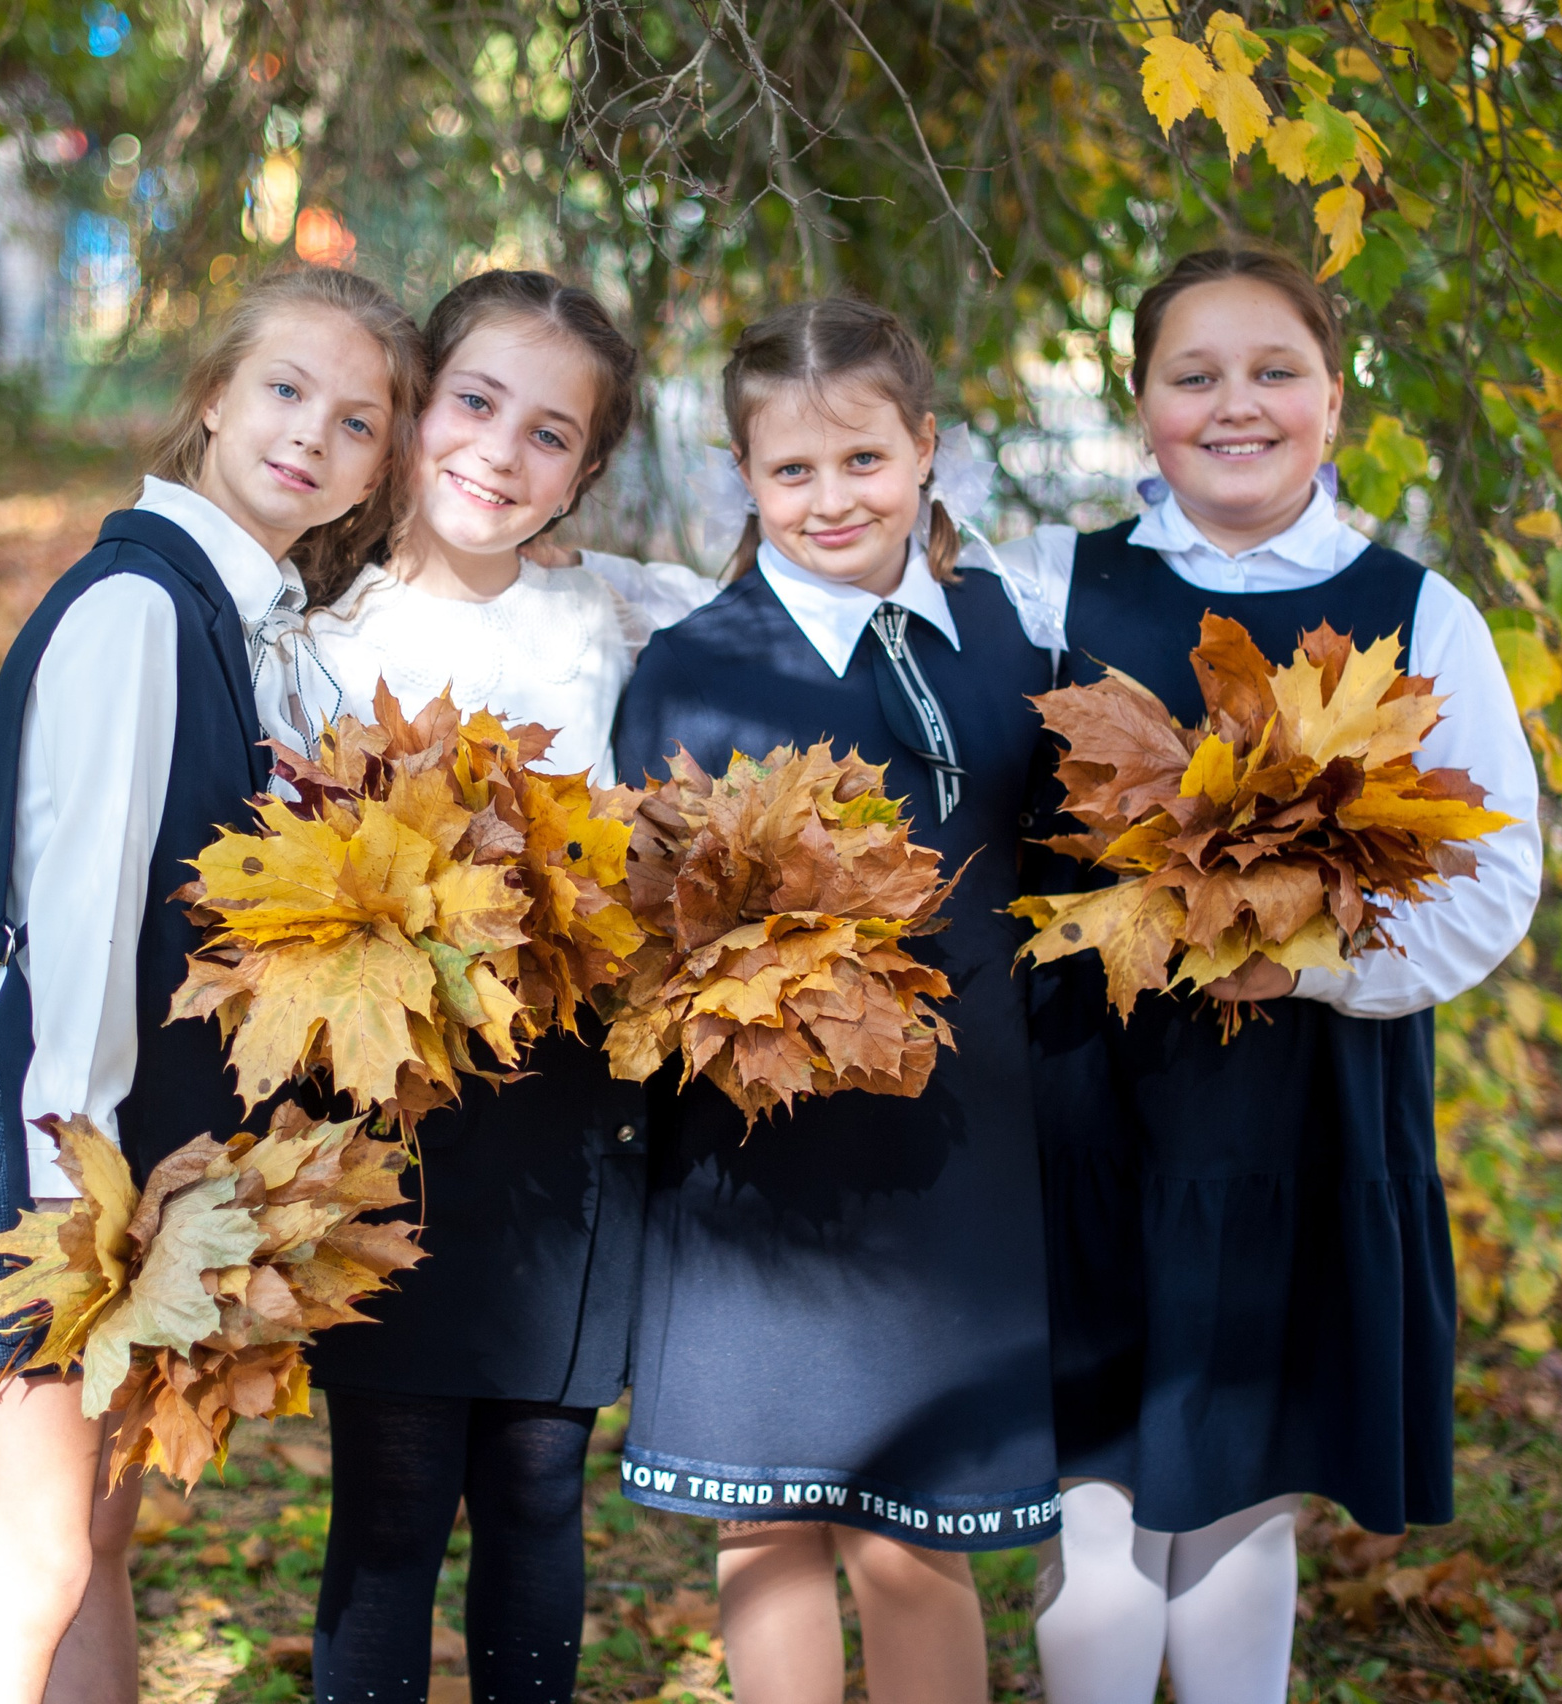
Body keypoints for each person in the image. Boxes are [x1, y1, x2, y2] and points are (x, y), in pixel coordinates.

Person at [0, 266, 424, 1704]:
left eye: (356, 421)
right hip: (63, 1161)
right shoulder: (139, 612)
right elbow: (82, 910)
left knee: (100, 1534)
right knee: (34, 1559)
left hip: (136, 1149)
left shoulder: (247, 626)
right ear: (212, 397)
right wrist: (72, 1186)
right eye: (285, 390)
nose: (312, 434)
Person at [1009, 246, 1542, 1704]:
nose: (1234, 406)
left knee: (1246, 1499)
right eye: (1194, 377)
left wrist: (1305, 965)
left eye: (1272, 372)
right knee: (1098, 1530)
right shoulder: (1050, 582)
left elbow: (1497, 880)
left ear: (1333, 397)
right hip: (1088, 1112)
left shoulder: (1416, 614)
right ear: (1142, 409)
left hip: (1307, 1111)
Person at [610, 297, 1064, 1704]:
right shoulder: (694, 666)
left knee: (920, 1538)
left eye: (863, 460)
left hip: (961, 1152)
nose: (831, 499)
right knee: (769, 1525)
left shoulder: (1005, 642)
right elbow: (648, 919)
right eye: (792, 472)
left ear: (925, 448)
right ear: (742, 478)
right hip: (762, 1161)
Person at [291, 268, 712, 1704]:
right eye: (474, 402)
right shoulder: (314, 638)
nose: (498, 450)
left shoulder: (623, 620)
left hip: (569, 1115)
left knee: (538, 1483)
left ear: (587, 471)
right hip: (390, 1110)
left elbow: (812, 580)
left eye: (550, 433)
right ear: (413, 408)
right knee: (396, 1496)